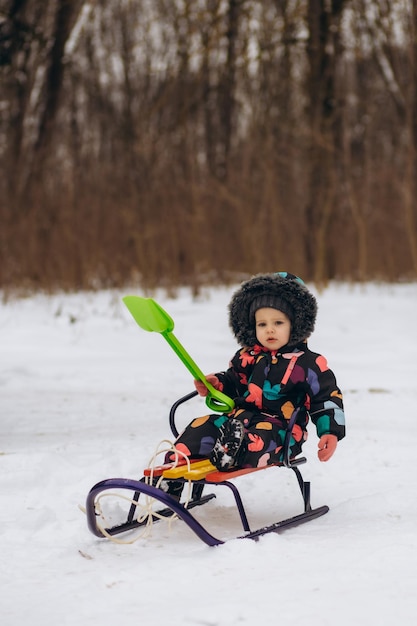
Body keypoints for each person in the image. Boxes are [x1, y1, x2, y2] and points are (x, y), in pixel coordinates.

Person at [163, 272, 345, 493]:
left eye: (278, 322)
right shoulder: (247, 357)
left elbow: (325, 398)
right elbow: (233, 381)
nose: (269, 329)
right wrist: (217, 384)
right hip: (236, 422)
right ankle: (170, 475)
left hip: (281, 431)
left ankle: (231, 452)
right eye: (262, 324)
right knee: (199, 426)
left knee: (259, 441)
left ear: (296, 324)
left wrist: (330, 432)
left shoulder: (309, 364)